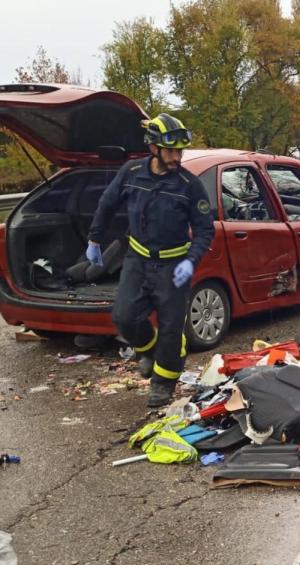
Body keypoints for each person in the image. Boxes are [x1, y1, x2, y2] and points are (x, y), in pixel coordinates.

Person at [86, 113, 215, 408]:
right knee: (124, 316)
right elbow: (107, 203)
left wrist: (191, 260)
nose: (177, 157)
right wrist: (95, 239)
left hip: (173, 265)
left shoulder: (189, 185)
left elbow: (206, 229)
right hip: (138, 259)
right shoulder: (131, 173)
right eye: (171, 150)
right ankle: (148, 349)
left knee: (171, 327)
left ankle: (163, 383)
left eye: (180, 151)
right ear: (154, 148)